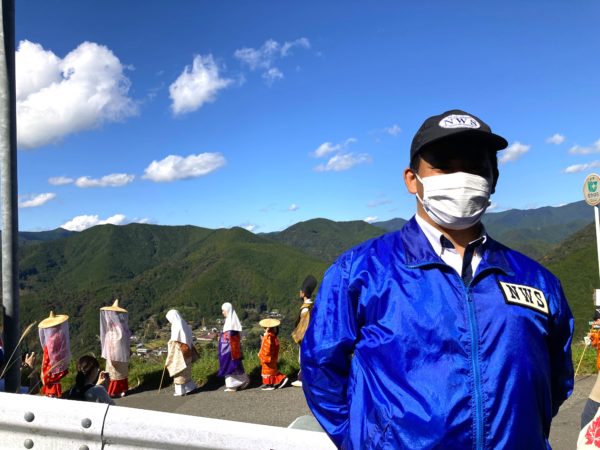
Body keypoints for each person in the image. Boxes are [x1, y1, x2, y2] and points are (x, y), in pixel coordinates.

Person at [301, 109, 574, 449]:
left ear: (494, 178)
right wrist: (363, 440)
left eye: (477, 165)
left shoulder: (537, 280)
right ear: (412, 179)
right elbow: (320, 368)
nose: (462, 176)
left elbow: (556, 380)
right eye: (444, 164)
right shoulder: (360, 272)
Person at [100, 299, 131, 398]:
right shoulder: (123, 327)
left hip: (114, 353)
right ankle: (122, 389)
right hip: (123, 353)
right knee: (122, 371)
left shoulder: (112, 330)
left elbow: (110, 344)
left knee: (114, 372)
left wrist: (110, 357)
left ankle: (113, 391)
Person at [290, 275, 317, 387]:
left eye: (301, 291)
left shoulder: (305, 308)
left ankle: (303, 379)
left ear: (303, 293)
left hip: (305, 337)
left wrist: (298, 337)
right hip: (313, 336)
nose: (299, 292)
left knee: (303, 357)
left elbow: (303, 326)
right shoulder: (313, 305)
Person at [165, 309, 198, 396]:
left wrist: (169, 343)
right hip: (187, 349)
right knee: (186, 370)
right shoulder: (184, 323)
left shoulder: (176, 325)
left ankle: (180, 391)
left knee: (178, 369)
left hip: (179, 351)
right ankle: (189, 388)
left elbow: (175, 339)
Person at [218, 302, 249, 392]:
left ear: (227, 311)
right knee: (234, 366)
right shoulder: (230, 321)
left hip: (229, 349)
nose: (222, 312)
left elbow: (229, 338)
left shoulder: (231, 323)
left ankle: (234, 385)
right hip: (229, 349)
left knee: (231, 365)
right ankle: (240, 381)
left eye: (223, 311)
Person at [38, 311, 71, 398]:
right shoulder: (59, 338)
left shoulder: (50, 341)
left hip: (50, 374)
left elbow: (46, 362)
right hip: (56, 373)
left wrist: (44, 375)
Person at [258, 318, 288, 390]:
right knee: (272, 371)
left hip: (268, 357)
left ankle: (271, 385)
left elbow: (267, 348)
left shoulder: (268, 336)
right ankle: (277, 380)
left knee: (268, 371)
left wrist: (263, 355)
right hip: (272, 356)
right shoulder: (272, 335)